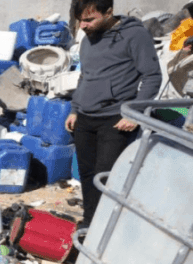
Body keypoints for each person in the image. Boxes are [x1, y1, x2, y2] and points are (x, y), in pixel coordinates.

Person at [65, 0, 161, 228]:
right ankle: (89, 224)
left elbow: (152, 76)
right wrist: (75, 109)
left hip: (114, 120)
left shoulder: (135, 35)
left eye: (89, 20)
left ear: (109, 12)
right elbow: (85, 76)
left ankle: (106, 229)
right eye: (80, 21)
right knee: (87, 176)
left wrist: (134, 113)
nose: (83, 26)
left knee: (105, 177)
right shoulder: (89, 38)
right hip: (85, 118)